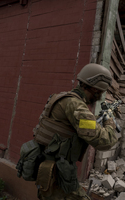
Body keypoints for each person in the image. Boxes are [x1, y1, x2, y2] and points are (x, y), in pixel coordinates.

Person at [33, 63, 118, 200]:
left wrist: (96, 119)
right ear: (94, 88)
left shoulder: (62, 97)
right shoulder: (76, 105)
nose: (100, 96)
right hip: (58, 173)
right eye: (101, 92)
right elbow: (105, 142)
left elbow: (77, 124)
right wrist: (109, 122)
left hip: (49, 168)